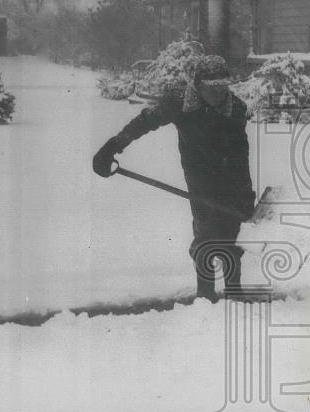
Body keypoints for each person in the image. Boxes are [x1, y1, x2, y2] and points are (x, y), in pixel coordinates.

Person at [92, 55, 255, 301]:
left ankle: (234, 291)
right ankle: (205, 294)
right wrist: (113, 146)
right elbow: (145, 121)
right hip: (198, 174)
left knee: (231, 231)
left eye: (223, 85)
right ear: (198, 85)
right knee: (207, 231)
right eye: (212, 87)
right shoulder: (180, 103)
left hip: (228, 174)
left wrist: (246, 193)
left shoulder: (236, 109)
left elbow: (241, 154)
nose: (219, 92)